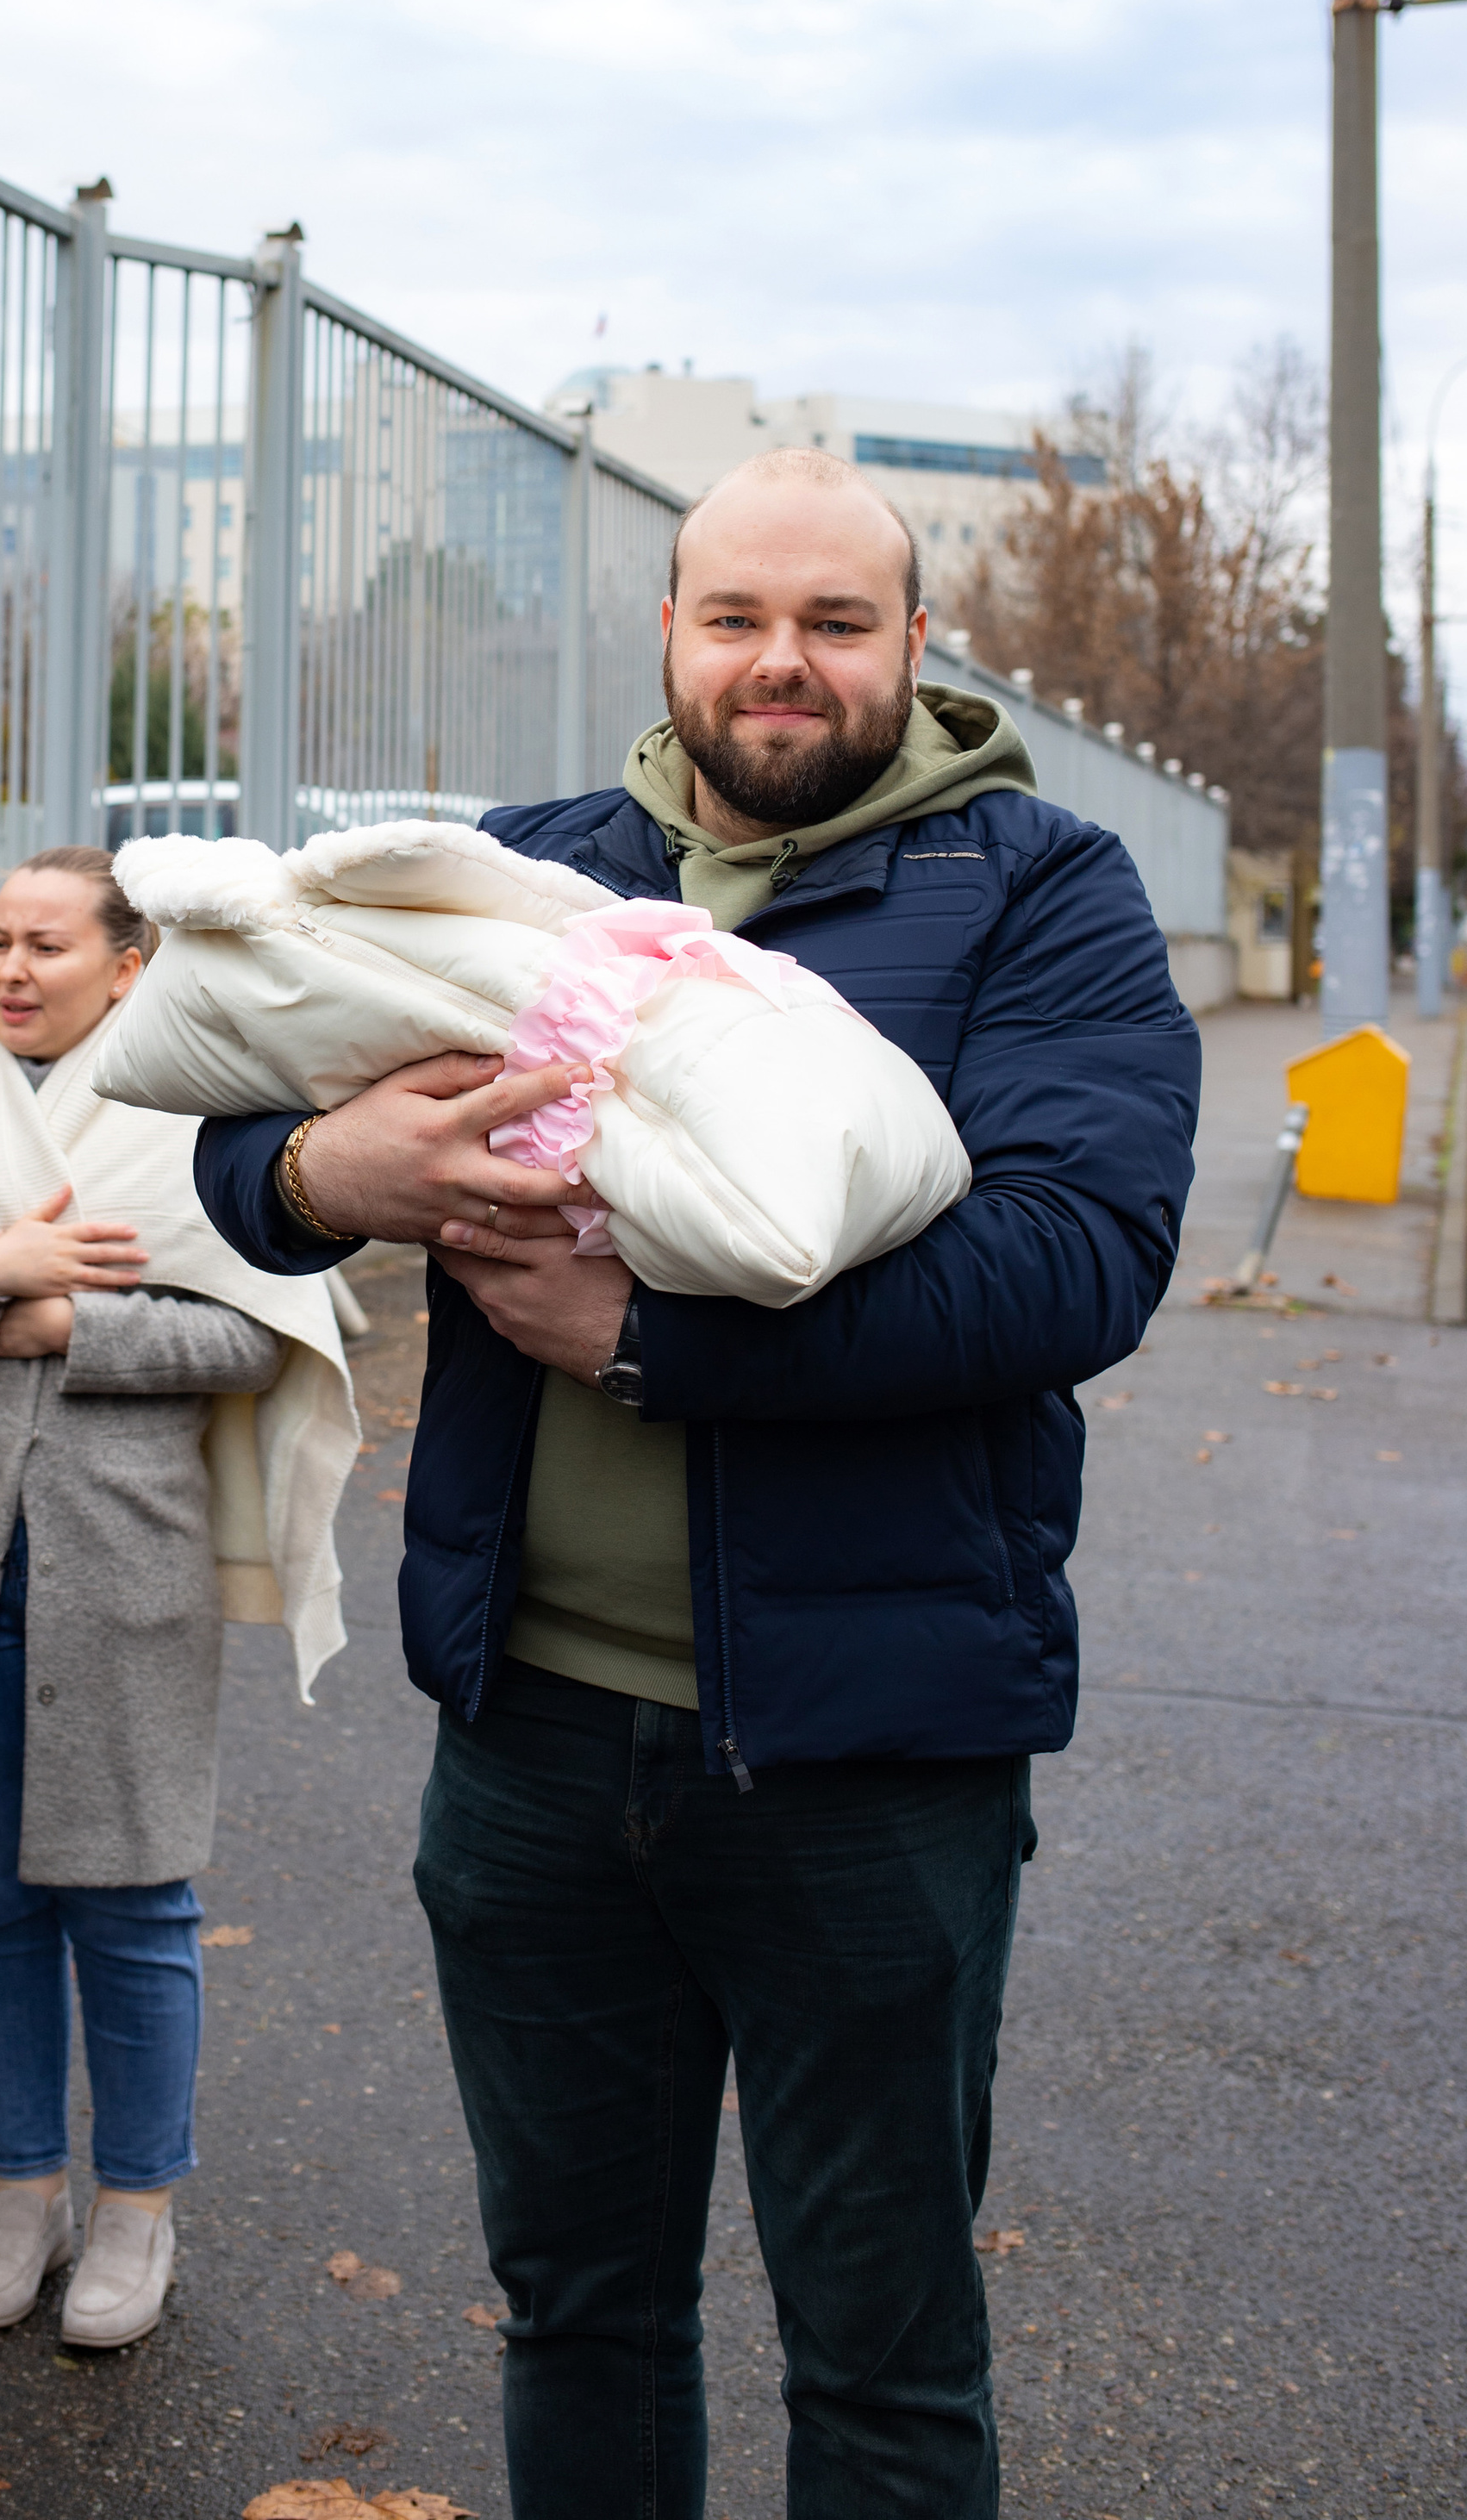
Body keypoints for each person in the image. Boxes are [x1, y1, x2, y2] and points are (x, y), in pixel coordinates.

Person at [196, 446, 1202, 2520]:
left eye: (835, 623)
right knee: (579, 2313)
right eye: (735, 615)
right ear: (666, 633)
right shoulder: (528, 866)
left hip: (866, 1760)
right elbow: (242, 1123)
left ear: (916, 649)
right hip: (533, 1748)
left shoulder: (1037, 888)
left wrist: (658, 1343)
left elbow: (1070, 1259)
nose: (780, 663)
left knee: (882, 2356)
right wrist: (325, 1174)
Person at [0, 846, 355, 2351]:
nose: (9, 969)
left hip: (123, 1557)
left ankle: (137, 2207)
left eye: (44, 945)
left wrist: (68, 1321)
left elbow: (255, 1337)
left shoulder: (192, 1123)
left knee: (132, 1901)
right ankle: (22, 2188)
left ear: (127, 968)